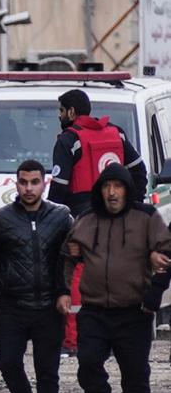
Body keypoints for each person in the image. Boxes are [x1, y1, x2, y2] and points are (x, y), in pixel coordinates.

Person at [57, 163, 171, 393]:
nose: (111, 193)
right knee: (88, 364)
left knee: (135, 374)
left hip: (134, 311)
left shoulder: (146, 217)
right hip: (94, 311)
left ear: (126, 189)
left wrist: (154, 294)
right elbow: (66, 257)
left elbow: (166, 255)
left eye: (117, 186)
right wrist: (63, 290)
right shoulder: (86, 219)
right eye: (107, 187)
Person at [0, 159, 73, 393]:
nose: (29, 188)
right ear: (17, 184)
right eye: (24, 182)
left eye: (35, 182)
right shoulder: (1, 218)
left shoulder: (61, 217)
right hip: (14, 306)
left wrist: (65, 291)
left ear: (44, 183)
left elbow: (73, 254)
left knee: (47, 370)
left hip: (50, 306)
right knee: (7, 361)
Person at [47, 89, 147, 356]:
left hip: (81, 218)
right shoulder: (117, 133)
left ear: (70, 112)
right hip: (117, 219)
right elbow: (139, 170)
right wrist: (131, 204)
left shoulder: (69, 140)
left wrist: (50, 219)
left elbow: (58, 188)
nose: (59, 116)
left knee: (74, 276)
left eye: (60, 111)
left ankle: (74, 339)